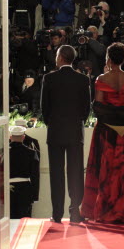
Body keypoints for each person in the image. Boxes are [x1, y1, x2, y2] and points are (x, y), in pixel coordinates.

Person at [80, 43, 124, 224]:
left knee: (106, 169)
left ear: (108, 58)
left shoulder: (101, 79)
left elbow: (99, 106)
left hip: (107, 131)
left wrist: (111, 114)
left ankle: (104, 210)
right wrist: (123, 113)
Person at [39, 44, 92, 223]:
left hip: (55, 132)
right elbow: (86, 108)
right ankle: (75, 212)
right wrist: (78, 122)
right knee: (76, 173)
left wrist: (52, 123)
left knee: (56, 174)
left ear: (60, 57)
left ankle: (57, 214)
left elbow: (44, 108)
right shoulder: (83, 79)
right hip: (75, 132)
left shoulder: (49, 78)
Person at [8, 120, 41, 219]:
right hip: (25, 188)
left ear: (10, 137)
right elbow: (35, 175)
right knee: (24, 219)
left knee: (11, 217)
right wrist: (35, 195)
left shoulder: (5, 153)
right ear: (23, 137)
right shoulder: (32, 153)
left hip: (9, 188)